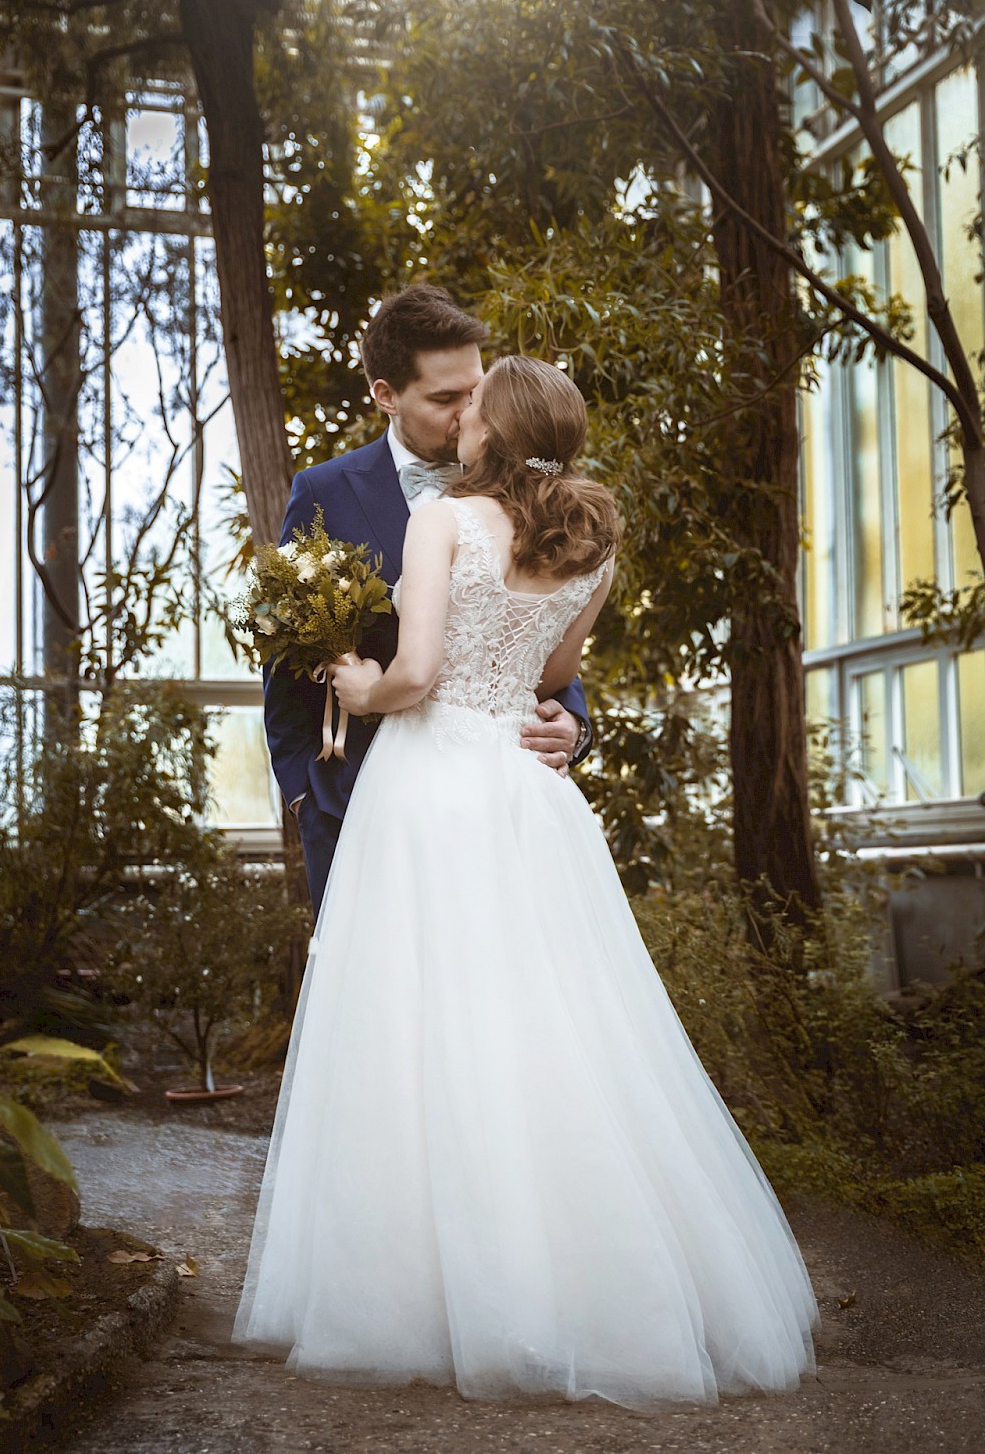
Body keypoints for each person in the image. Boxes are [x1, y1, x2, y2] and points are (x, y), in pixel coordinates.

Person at [233, 354, 818, 1409]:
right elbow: (551, 678)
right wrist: (515, 685)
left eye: (472, 413)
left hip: (425, 788)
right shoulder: (593, 541)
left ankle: (428, 1293)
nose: (459, 425)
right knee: (552, 1026)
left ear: (492, 432)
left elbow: (411, 677)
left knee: (417, 1027)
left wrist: (359, 685)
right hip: (519, 785)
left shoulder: (443, 521)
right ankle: (592, 1279)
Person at [263, 284, 591, 917]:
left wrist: (571, 722)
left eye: (476, 392)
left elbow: (541, 623)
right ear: (385, 395)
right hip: (353, 800)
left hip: (499, 807)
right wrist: (304, 790)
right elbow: (285, 648)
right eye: (446, 398)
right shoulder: (325, 491)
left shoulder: (543, 490)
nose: (470, 413)